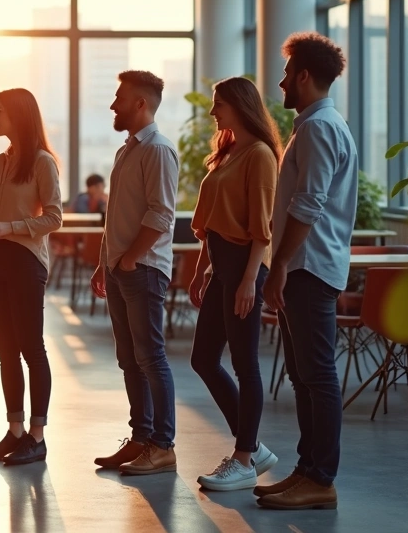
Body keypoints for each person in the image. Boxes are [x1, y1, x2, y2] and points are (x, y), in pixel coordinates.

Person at [258, 32, 357, 510]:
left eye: (286, 74)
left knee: (316, 375)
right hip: (308, 266)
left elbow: (309, 204)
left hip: (309, 267)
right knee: (303, 374)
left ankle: (320, 478)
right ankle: (307, 470)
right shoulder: (318, 124)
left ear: (302, 76)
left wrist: (278, 267)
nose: (280, 84)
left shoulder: (319, 128)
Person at [187, 77, 283, 491]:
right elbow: (211, 225)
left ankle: (244, 459)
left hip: (246, 269)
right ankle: (253, 448)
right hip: (221, 268)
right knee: (203, 359)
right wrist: (201, 269)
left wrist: (248, 282)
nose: (213, 112)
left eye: (219, 104)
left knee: (245, 364)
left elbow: (262, 230)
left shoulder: (259, 155)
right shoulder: (227, 154)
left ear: (241, 106)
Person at [90, 70, 181, 476]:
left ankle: (162, 445)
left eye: (119, 98)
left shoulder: (158, 150)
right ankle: (141, 439)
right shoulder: (128, 149)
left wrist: (128, 259)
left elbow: (161, 214)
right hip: (119, 267)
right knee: (129, 360)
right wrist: (104, 260)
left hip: (142, 269)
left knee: (151, 359)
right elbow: (118, 216)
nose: (113, 104)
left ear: (140, 103)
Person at [0, 88, 63, 466]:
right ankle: (15, 432)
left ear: (18, 116)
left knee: (31, 348)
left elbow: (54, 218)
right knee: (5, 351)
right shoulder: (1, 161)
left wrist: (5, 227)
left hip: (26, 262)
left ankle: (37, 437)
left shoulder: (42, 162)